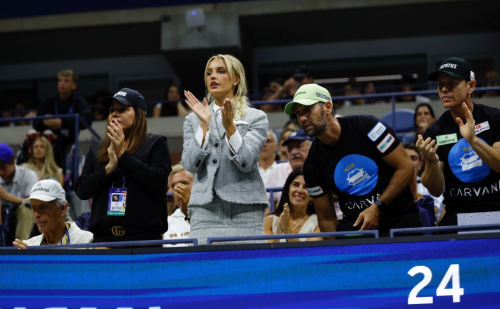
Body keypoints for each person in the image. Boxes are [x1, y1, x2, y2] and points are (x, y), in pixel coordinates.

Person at [285, 83, 421, 237]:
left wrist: (378, 206)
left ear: (328, 107)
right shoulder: (312, 165)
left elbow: (405, 167)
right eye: (298, 113)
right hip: (358, 226)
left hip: (399, 216)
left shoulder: (369, 127)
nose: (302, 118)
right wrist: (337, 252)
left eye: (308, 109)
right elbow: (327, 218)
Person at [182, 54, 268, 245]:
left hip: (246, 211)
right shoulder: (192, 119)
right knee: (206, 271)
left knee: (248, 271)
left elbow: (247, 163)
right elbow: (189, 165)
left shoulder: (256, 117)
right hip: (205, 212)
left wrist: (230, 128)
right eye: (209, 73)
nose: (213, 77)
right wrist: (204, 126)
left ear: (236, 79)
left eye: (221, 71)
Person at [75, 88, 172, 244]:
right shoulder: (98, 149)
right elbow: (81, 190)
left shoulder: (156, 143)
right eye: (112, 110)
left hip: (144, 238)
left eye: (122, 109)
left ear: (139, 113)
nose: (115, 113)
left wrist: (123, 156)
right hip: (104, 238)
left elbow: (159, 182)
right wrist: (108, 168)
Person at [417, 57, 500, 227]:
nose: (444, 89)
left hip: (496, 208)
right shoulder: (434, 132)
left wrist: (472, 139)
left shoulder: (494, 118)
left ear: (471, 86)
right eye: (440, 84)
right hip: (458, 214)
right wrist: (432, 162)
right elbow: (435, 189)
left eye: (452, 83)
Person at [33, 69, 93, 168]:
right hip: (49, 141)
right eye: (60, 80)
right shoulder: (48, 101)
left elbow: (87, 119)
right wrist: (45, 122)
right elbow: (36, 123)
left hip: (70, 142)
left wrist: (63, 122)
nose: (62, 84)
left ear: (74, 85)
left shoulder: (79, 102)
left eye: (66, 81)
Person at [13, 179, 93, 249]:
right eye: (34, 208)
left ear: (63, 208)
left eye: (43, 207)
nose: (37, 214)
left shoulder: (86, 241)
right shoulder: (28, 247)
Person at [264, 168, 321, 242]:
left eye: (306, 187)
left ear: (312, 196)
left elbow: (305, 252)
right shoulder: (269, 221)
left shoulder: (319, 222)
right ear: (288, 190)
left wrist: (287, 229)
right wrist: (278, 232)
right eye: (296, 185)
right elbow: (268, 252)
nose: (300, 190)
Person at [0, 143, 38, 240]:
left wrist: (7, 197)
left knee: (25, 210)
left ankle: (20, 248)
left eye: (3, 168)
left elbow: (33, 203)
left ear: (13, 163)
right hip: (2, 213)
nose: (1, 172)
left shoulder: (28, 175)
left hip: (21, 213)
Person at [265, 130, 313, 205]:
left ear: (312, 148)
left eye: (299, 147)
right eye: (290, 148)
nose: (293, 152)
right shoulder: (278, 170)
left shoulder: (321, 169)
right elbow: (267, 205)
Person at [403, 143, 444, 220]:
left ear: (420, 165)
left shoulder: (430, 185)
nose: (408, 161)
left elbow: (434, 211)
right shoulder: (390, 185)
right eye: (405, 157)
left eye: (413, 158)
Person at [163, 163, 193, 246]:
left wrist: (188, 211)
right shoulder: (167, 222)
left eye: (184, 183)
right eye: (174, 186)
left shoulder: (209, 218)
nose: (178, 189)